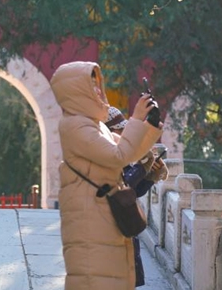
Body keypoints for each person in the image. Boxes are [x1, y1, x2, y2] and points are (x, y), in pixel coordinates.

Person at [50, 62, 163, 290]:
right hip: (90, 220)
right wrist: (135, 118)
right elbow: (118, 156)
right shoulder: (74, 126)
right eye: (92, 87)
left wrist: (149, 125)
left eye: (98, 85)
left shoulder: (95, 125)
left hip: (103, 215)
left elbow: (132, 152)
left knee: (109, 278)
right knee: (94, 279)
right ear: (77, 92)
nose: (100, 92)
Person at [105, 106, 168, 288]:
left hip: (125, 226)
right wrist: (143, 168)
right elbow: (120, 187)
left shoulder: (120, 153)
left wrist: (149, 176)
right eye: (120, 129)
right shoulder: (104, 154)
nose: (124, 133)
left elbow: (133, 191)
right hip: (109, 228)